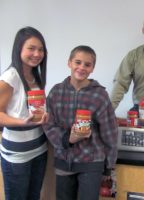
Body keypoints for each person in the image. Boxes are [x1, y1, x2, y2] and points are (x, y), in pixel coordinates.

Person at [43, 45, 118, 200]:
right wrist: (67, 139)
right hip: (64, 160)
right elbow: (49, 125)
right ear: (69, 63)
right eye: (78, 62)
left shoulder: (100, 95)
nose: (82, 67)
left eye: (87, 64)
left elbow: (110, 132)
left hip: (92, 162)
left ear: (92, 68)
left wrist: (109, 167)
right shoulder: (56, 92)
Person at [0, 26, 48, 200]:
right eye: (31, 48)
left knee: (33, 196)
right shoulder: (10, 77)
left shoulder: (36, 76)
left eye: (41, 49)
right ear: (19, 48)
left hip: (39, 149)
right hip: (17, 155)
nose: (37, 54)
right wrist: (22, 122)